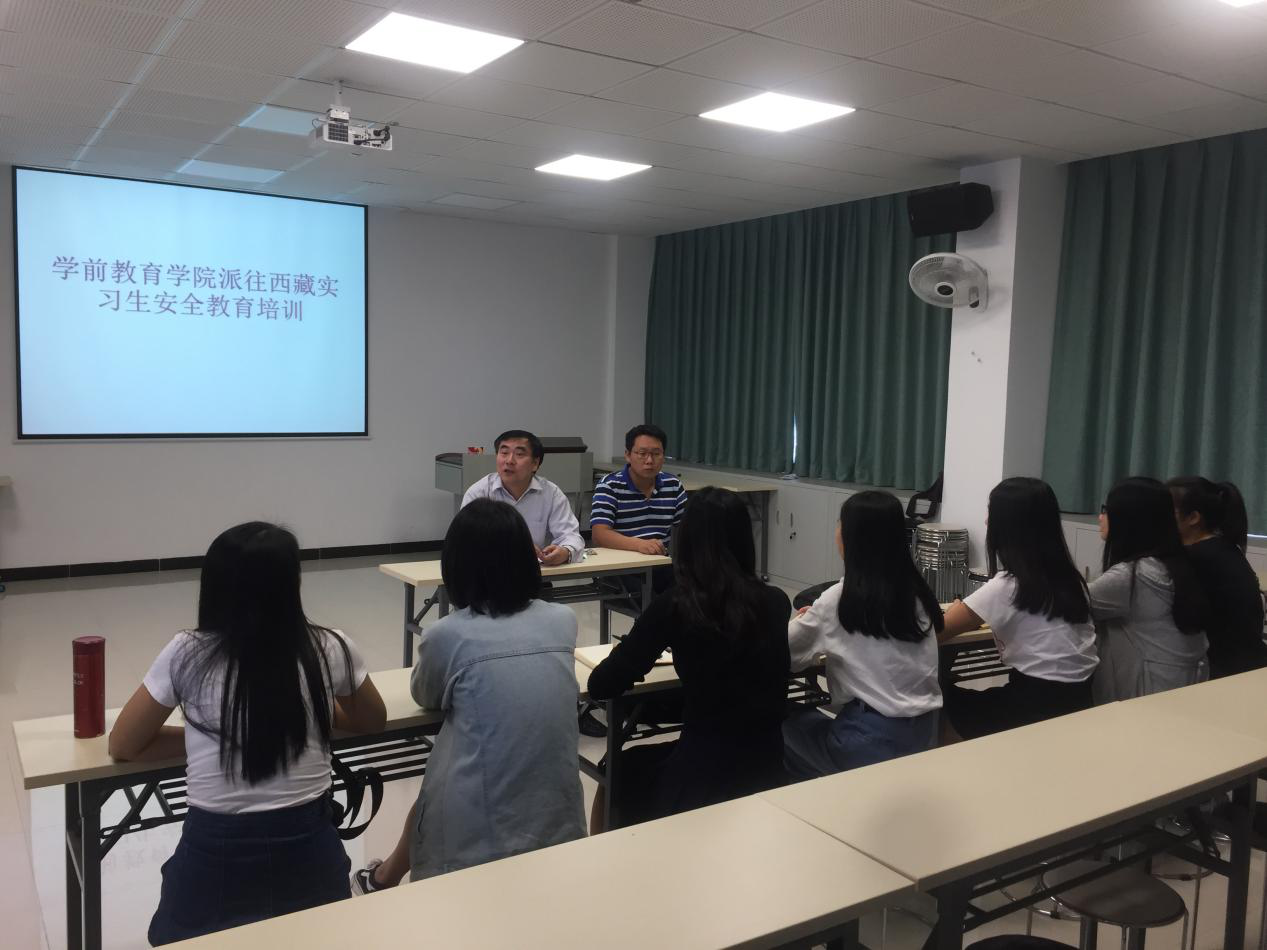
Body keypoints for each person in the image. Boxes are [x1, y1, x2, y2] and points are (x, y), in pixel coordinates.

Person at [109, 522, 386, 946]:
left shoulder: (187, 651)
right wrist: (298, 712)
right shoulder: (329, 646)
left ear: (214, 587)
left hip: (214, 857)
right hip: (310, 852)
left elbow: (124, 745)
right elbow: (372, 719)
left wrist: (220, 736)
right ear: (292, 586)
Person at [353, 500, 585, 891]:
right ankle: (385, 875)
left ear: (457, 567)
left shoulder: (448, 634)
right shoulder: (562, 620)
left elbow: (426, 696)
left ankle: (383, 878)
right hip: (559, 813)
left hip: (478, 836)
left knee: (449, 761)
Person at [586, 487, 791, 829]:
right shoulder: (776, 601)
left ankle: (605, 853)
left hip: (702, 771)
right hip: (767, 763)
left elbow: (602, 684)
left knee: (617, 769)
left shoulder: (677, 605)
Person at [783, 491, 943, 777]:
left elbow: (784, 654)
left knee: (779, 722)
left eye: (839, 523)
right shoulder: (918, 593)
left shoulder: (838, 599)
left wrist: (805, 622)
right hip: (924, 734)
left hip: (867, 742)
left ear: (851, 536)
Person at [939, 477, 1097, 739]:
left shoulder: (1007, 586)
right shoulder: (1071, 579)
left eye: (991, 514)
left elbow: (938, 632)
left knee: (941, 698)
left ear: (1008, 526)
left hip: (1032, 709)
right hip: (1079, 699)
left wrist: (958, 608)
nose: (986, 522)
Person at [1091, 477, 1210, 701]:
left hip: (1149, 693)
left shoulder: (1132, 576)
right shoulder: (1176, 562)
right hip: (1185, 686)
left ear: (1128, 519)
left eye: (1106, 511)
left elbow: (1073, 603)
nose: (1100, 517)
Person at [1167, 477, 1265, 678]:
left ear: (1193, 518)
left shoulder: (1196, 556)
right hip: (1250, 661)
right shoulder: (1223, 547)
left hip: (1228, 670)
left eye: (1166, 510)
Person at [463, 429, 583, 566]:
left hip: (535, 571)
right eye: (504, 453)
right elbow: (465, 540)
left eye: (519, 454)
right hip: (487, 571)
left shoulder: (551, 493)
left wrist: (565, 551)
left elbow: (571, 535)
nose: (509, 460)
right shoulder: (479, 493)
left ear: (535, 463)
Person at [590, 423, 686, 593]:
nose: (649, 461)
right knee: (658, 599)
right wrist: (639, 545)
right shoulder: (610, 485)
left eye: (656, 454)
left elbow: (688, 528)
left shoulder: (673, 485)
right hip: (619, 568)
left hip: (659, 565)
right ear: (628, 455)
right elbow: (599, 535)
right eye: (642, 454)